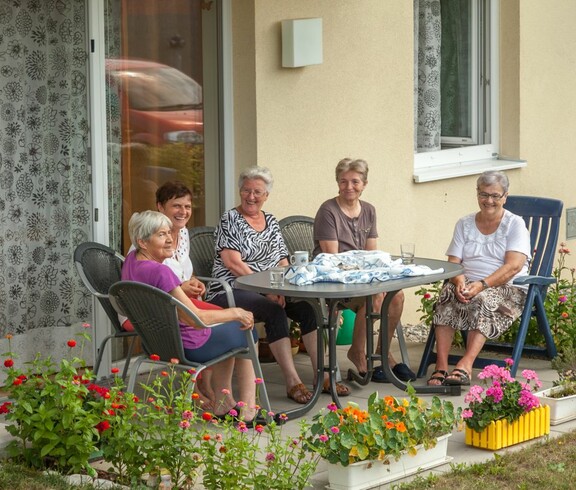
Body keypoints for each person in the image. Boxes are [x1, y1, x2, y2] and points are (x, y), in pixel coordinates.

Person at [206, 166, 350, 403]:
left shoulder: (271, 220)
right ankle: (292, 381)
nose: (251, 197)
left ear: (266, 196)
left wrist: (285, 288)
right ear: (240, 191)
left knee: (307, 308)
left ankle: (322, 375)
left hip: (272, 288)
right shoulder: (230, 219)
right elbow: (233, 264)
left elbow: (282, 260)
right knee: (274, 312)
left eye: (257, 192)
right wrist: (266, 291)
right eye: (246, 191)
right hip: (232, 289)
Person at [122, 210, 259, 422]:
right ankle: (248, 407)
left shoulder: (131, 262)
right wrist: (236, 312)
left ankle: (224, 402)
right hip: (189, 346)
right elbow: (195, 319)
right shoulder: (161, 272)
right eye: (161, 235)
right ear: (142, 241)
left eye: (169, 233)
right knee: (246, 328)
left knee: (229, 327)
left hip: (158, 345)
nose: (169, 239)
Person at [313, 158, 416, 383]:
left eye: (355, 182)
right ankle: (358, 352)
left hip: (363, 276)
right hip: (335, 281)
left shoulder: (369, 210)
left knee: (397, 295)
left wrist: (372, 271)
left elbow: (372, 253)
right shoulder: (328, 210)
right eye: (343, 181)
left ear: (365, 184)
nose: (349, 187)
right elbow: (332, 258)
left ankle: (382, 353)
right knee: (376, 296)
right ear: (337, 183)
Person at [427, 170, 531, 386]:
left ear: (505, 196)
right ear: (477, 194)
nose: (489, 201)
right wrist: (459, 282)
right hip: (468, 283)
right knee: (446, 294)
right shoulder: (464, 223)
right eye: (484, 194)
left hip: (507, 287)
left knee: (484, 299)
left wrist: (482, 285)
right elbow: (453, 262)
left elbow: (513, 266)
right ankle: (441, 366)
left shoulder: (515, 224)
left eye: (495, 195)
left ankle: (465, 364)